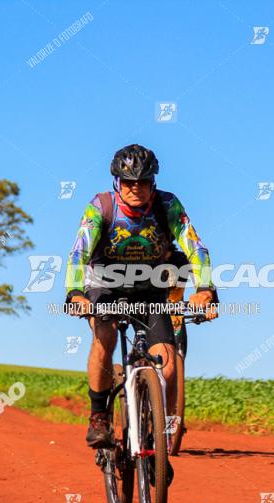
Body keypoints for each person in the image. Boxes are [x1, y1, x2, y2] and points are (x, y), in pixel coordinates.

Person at [64, 144, 218, 448]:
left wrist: (205, 290)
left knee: (168, 363)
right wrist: (75, 293)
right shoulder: (100, 206)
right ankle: (99, 418)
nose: (136, 188)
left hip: (148, 289)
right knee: (104, 336)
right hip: (104, 284)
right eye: (129, 182)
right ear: (117, 183)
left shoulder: (168, 205)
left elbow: (194, 247)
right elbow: (79, 252)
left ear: (153, 183)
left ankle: (156, 439)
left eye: (143, 182)